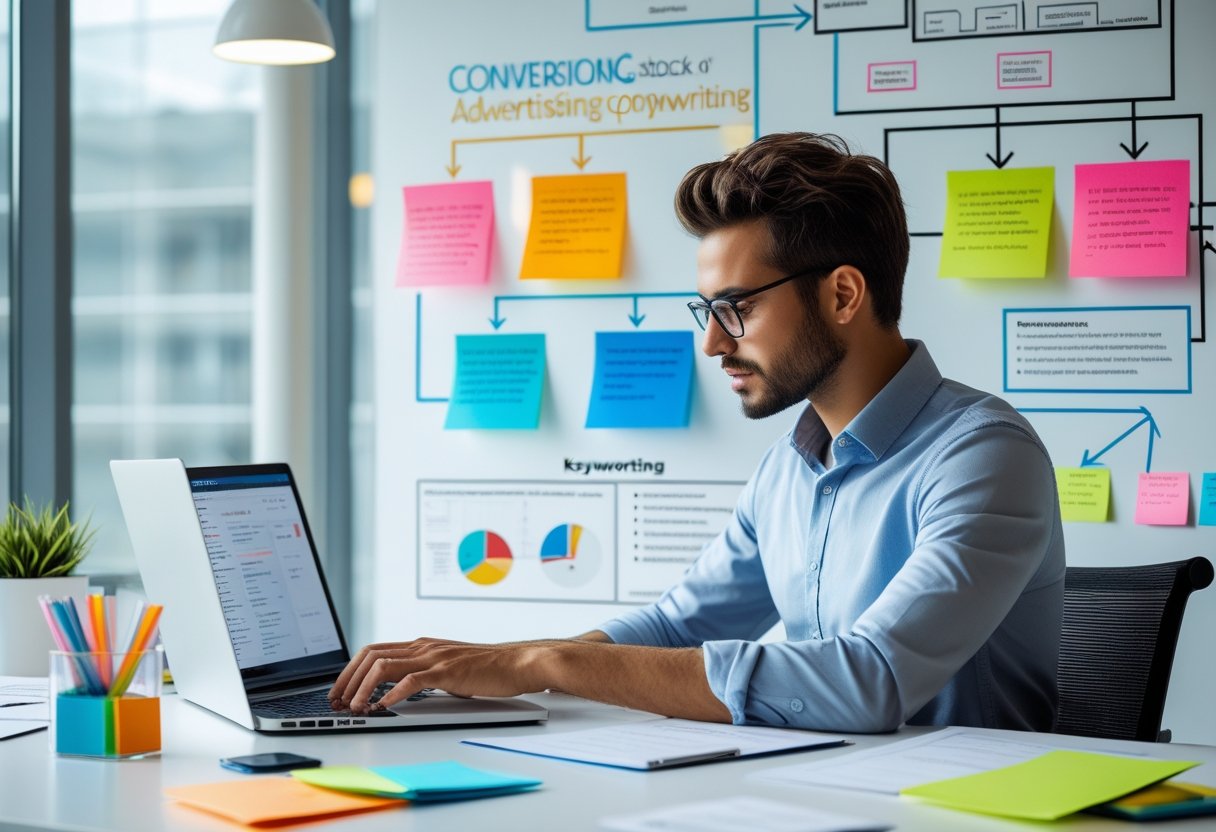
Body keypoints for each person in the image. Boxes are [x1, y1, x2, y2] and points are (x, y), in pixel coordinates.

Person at [331, 132, 1065, 733]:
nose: (713, 343)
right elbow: (677, 626)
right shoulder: (790, 467)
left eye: (737, 308)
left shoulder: (983, 455)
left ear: (842, 294)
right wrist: (496, 663)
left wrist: (546, 665)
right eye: (706, 311)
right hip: (827, 792)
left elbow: (868, 682)